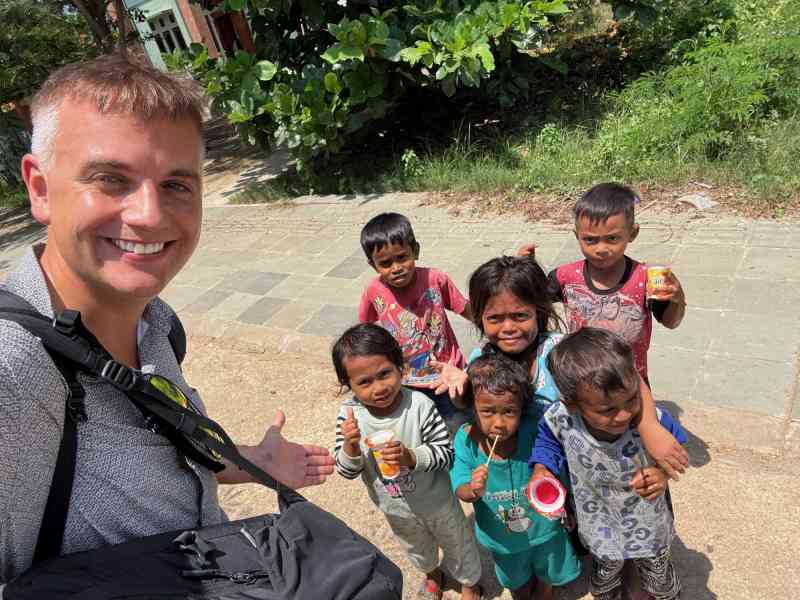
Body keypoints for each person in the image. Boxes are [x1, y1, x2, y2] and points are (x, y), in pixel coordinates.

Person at [0, 54, 334, 584]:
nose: (150, 215)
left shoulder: (154, 320)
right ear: (40, 188)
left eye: (177, 185)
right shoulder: (13, 374)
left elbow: (165, 448)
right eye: (111, 179)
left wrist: (251, 461)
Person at [438, 255, 688, 479]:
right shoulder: (481, 359)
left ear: (538, 311)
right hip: (520, 477)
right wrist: (460, 391)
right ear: (480, 318)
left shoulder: (560, 352)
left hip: (573, 472)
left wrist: (649, 426)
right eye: (495, 319)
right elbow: (477, 409)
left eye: (520, 316)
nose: (508, 328)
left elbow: (627, 375)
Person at [531, 328, 686, 600]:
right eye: (608, 410)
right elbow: (547, 443)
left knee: (657, 574)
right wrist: (542, 470)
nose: (624, 414)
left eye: (631, 399)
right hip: (599, 523)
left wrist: (661, 473)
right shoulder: (561, 419)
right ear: (572, 404)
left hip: (649, 525)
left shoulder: (652, 421)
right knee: (606, 571)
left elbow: (675, 448)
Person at [332, 324, 482, 600]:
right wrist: (351, 445)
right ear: (348, 384)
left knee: (458, 543)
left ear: (400, 367)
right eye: (364, 382)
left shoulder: (419, 406)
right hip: (394, 507)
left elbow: (445, 453)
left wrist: (411, 457)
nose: (378, 388)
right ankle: (433, 573)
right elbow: (346, 471)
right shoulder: (350, 415)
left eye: (384, 374)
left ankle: (470, 583)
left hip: (438, 502)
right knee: (416, 547)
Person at [520, 182, 687, 384]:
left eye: (612, 238)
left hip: (630, 382)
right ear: (577, 236)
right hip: (581, 380)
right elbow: (533, 302)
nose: (601, 249)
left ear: (632, 233)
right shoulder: (565, 277)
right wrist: (527, 270)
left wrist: (677, 298)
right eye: (590, 240)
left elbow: (671, 322)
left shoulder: (645, 279)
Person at [450, 353, 580, 600]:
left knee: (549, 571)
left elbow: (557, 471)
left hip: (545, 529)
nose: (499, 422)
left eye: (509, 411)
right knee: (515, 580)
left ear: (522, 409)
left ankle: (545, 590)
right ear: (472, 408)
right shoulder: (466, 440)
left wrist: (566, 508)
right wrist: (472, 489)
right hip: (502, 539)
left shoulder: (535, 431)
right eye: (488, 411)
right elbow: (460, 487)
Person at [358, 212, 473, 434]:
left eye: (402, 257)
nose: (396, 268)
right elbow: (365, 332)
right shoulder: (374, 292)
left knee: (460, 429)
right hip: (405, 383)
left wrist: (491, 324)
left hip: (448, 376)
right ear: (373, 265)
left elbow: (466, 309)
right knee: (420, 431)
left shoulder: (435, 279)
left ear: (416, 251)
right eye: (385, 263)